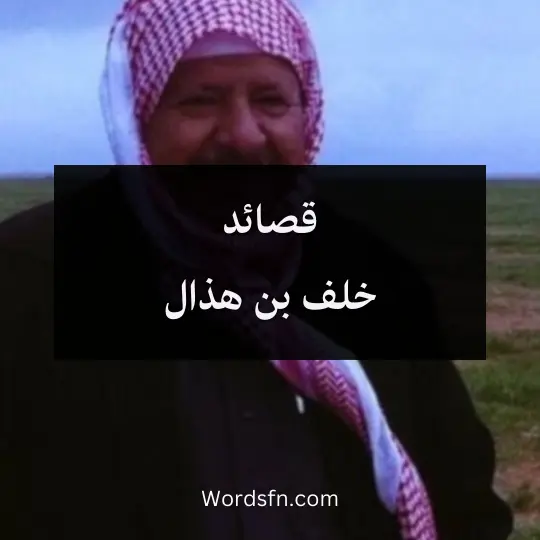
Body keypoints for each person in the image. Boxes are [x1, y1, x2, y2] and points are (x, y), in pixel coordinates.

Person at [0, 0, 513, 539]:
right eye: (201, 101)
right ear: (140, 115)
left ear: (306, 113)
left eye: (271, 100)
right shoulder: (33, 276)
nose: (244, 135)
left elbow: (462, 501)